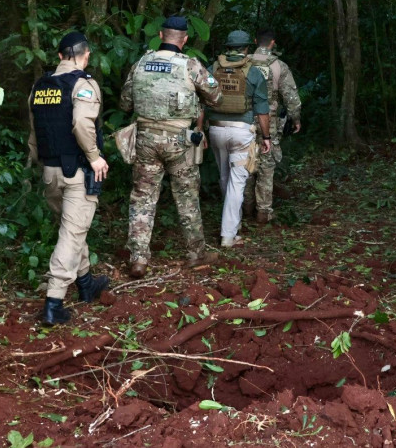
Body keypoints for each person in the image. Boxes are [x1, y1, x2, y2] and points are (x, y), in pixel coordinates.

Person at [120, 16, 222, 278]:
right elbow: (216, 96)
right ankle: (196, 253)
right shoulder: (190, 65)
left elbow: (125, 104)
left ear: (161, 35)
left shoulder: (141, 63)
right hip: (179, 141)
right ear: (184, 39)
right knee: (187, 197)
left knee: (142, 198)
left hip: (145, 140)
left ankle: (139, 259)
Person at [28, 31, 111, 325]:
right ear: (84, 55)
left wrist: (39, 163)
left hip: (50, 172)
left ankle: (86, 283)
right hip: (75, 171)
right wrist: (94, 157)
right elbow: (80, 123)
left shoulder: (40, 86)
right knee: (71, 234)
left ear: (60, 55)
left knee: (73, 229)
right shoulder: (83, 84)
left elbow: (34, 131)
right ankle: (54, 303)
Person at [205, 30, 271, 248]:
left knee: (225, 178)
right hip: (241, 132)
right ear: (246, 48)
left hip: (215, 129)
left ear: (227, 47)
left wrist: (199, 129)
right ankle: (228, 234)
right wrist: (266, 137)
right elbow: (262, 110)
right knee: (237, 182)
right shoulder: (253, 73)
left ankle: (233, 224)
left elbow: (201, 101)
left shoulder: (212, 69)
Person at [243, 29, 301, 223]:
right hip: (270, 121)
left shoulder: (243, 62)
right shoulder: (279, 66)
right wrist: (296, 119)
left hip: (244, 120)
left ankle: (246, 206)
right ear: (272, 43)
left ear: (254, 41)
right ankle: (264, 211)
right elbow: (291, 96)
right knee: (267, 166)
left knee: (246, 163)